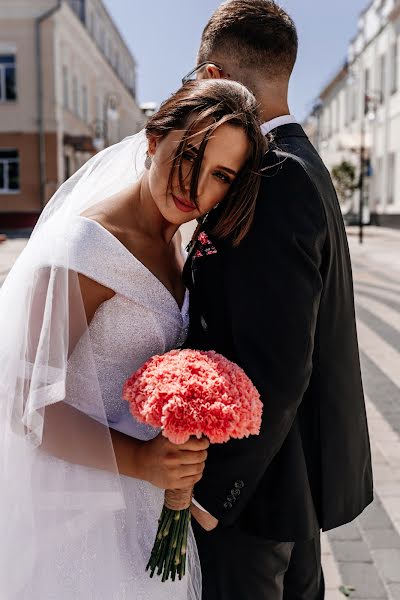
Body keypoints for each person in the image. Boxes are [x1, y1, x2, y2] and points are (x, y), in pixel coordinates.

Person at [0, 79, 266, 599]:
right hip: (79, 511)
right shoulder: (86, 247)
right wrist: (142, 461)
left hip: (144, 504)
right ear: (152, 140)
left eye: (220, 176)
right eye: (188, 153)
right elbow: (20, 401)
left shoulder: (177, 246)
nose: (194, 184)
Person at [183, 2, 374, 599]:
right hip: (287, 485)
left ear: (212, 78)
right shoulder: (303, 164)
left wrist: (215, 495)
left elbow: (280, 362)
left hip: (255, 500)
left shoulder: (276, 175)